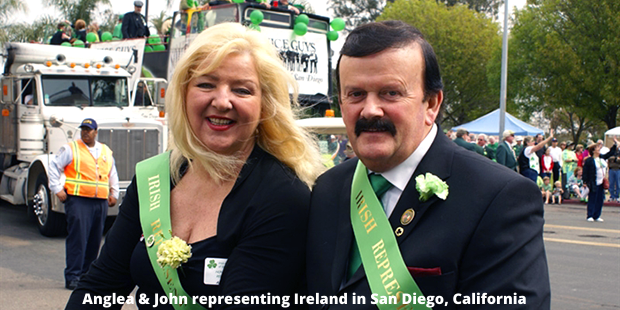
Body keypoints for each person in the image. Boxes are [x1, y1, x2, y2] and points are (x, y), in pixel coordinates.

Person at [66, 23, 322, 309]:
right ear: (184, 94)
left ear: (265, 104)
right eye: (206, 84)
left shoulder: (282, 196)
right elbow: (101, 287)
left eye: (242, 90)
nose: (222, 101)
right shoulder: (156, 177)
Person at [306, 20, 550, 309]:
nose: (370, 110)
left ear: (431, 104)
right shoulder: (326, 188)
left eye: (390, 93)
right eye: (356, 94)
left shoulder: (499, 198)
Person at [48, 118, 119, 290]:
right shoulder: (71, 149)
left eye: (89, 130)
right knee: (78, 239)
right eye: (83, 129)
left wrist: (114, 192)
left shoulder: (105, 151)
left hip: (99, 202)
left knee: (94, 240)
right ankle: (73, 276)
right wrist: (57, 188)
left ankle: (87, 275)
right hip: (78, 200)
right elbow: (54, 166)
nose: (85, 132)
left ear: (96, 132)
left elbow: (112, 172)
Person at [582, 138, 618, 222]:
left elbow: (610, 153)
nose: (599, 149)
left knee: (599, 199)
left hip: (601, 182)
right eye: (597, 148)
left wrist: (615, 145)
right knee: (592, 198)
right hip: (593, 182)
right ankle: (590, 215)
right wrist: (585, 182)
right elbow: (585, 172)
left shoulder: (601, 158)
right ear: (593, 151)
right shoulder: (590, 160)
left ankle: (597, 215)